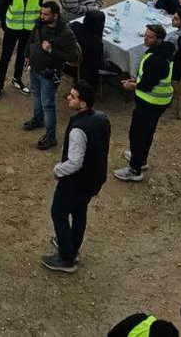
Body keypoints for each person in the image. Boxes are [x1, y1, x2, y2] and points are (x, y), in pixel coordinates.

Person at [41, 80, 110, 274]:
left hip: (75, 182)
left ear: (83, 103)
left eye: (72, 97)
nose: (68, 99)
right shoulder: (102, 118)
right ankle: (72, 245)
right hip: (93, 179)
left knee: (59, 213)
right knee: (80, 212)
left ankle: (66, 258)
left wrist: (57, 170)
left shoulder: (79, 129)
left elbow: (75, 162)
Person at [114, 24, 173, 182]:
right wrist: (136, 79)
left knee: (138, 135)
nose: (145, 38)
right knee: (147, 133)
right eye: (146, 35)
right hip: (160, 102)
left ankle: (134, 169)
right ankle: (141, 159)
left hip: (150, 102)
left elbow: (147, 85)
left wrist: (131, 85)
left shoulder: (154, 59)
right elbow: (150, 78)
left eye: (150, 36)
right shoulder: (165, 52)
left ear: (159, 39)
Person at [24, 1, 78, 150]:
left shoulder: (65, 33)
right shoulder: (40, 23)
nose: (42, 16)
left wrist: (51, 51)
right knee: (36, 95)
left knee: (48, 105)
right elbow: (32, 37)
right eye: (41, 13)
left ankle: (50, 136)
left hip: (49, 73)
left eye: (46, 14)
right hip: (35, 68)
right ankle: (38, 119)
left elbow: (73, 56)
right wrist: (27, 54)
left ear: (55, 15)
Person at [0, 0, 41, 100]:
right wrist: (4, 26)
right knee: (5, 58)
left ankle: (17, 79)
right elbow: (2, 9)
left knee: (22, 56)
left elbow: (39, 9)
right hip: (12, 29)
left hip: (28, 30)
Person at [72, 9, 107, 88]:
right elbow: (98, 64)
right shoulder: (95, 43)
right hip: (83, 72)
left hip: (67, 62)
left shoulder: (74, 25)